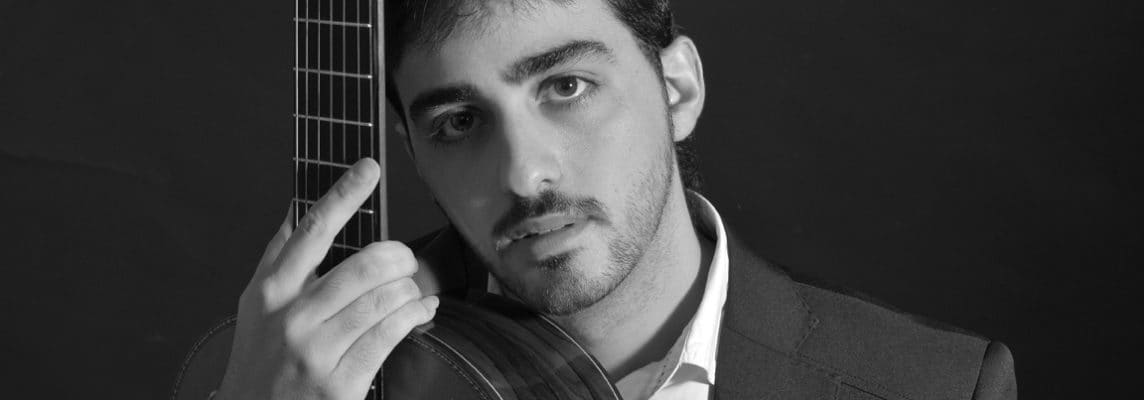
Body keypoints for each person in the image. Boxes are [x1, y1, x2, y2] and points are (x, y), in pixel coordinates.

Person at [212, 0, 1017, 399]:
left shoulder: (934, 389)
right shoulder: (289, 371)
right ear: (413, 148)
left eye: (566, 86)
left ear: (678, 88)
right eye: (459, 122)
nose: (525, 174)